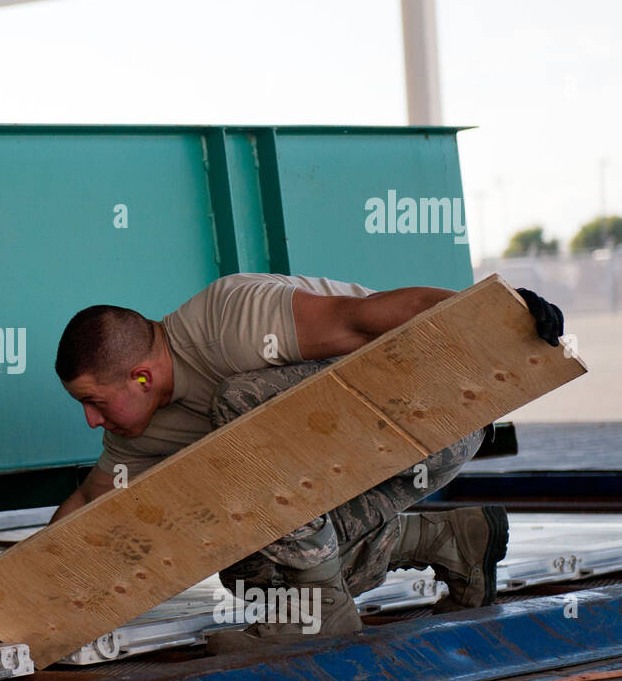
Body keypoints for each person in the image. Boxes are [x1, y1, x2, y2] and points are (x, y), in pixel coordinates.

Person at [51, 272, 565, 653]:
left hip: (435, 416)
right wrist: (16, 596)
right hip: (355, 464)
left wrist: (504, 312)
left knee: (237, 404)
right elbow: (90, 506)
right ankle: (454, 540)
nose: (92, 421)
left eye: (94, 402)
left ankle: (321, 609)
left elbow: (366, 317)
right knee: (249, 571)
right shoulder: (138, 434)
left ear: (141, 377)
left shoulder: (227, 321)